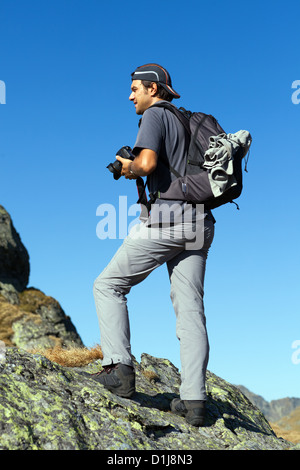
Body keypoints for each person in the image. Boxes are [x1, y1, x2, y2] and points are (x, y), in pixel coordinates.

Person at [90, 64, 215, 427]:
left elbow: (146, 164)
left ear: (153, 90)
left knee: (108, 285)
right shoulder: (188, 121)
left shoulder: (155, 115)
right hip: (201, 222)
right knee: (190, 309)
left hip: (170, 220)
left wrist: (126, 167)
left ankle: (119, 371)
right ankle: (193, 401)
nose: (130, 96)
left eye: (135, 89)